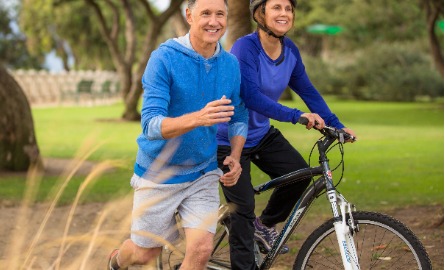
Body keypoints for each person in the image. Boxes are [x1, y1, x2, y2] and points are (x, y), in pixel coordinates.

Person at [107, 0, 248, 269]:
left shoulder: (230, 64)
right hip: (159, 173)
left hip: (202, 172)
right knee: (144, 254)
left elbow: (239, 114)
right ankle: (116, 261)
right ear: (189, 16)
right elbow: (150, 125)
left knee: (201, 249)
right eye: (205, 13)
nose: (214, 21)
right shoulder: (164, 58)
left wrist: (235, 155)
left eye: (220, 14)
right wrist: (199, 118)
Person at [216, 0, 357, 269]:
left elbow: (308, 90)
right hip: (228, 140)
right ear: (261, 13)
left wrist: (336, 124)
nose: (284, 13)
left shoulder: (289, 50)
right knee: (242, 213)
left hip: (261, 134)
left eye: (288, 8)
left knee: (297, 176)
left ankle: (265, 224)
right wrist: (296, 115)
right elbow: (251, 96)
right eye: (276, 7)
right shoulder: (246, 47)